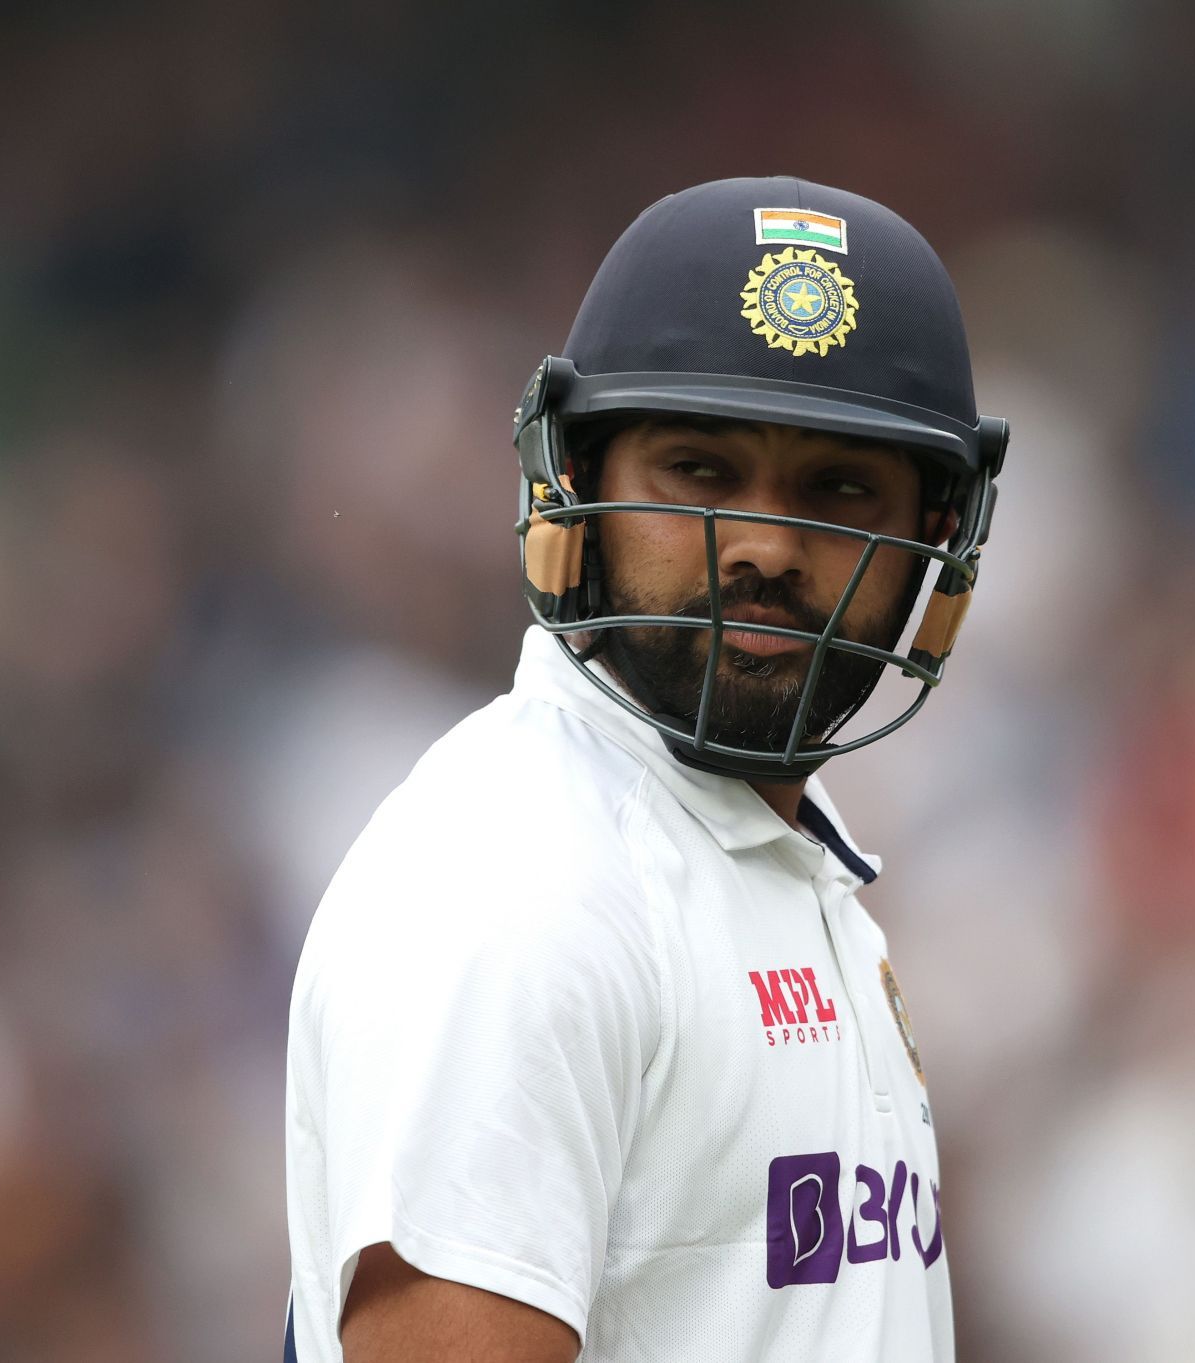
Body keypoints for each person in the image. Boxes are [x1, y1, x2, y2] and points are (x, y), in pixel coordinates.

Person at [283, 177, 1009, 1362]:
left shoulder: (772, 856)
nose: (768, 547)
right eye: (701, 469)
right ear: (577, 487)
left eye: (839, 488)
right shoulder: (520, 890)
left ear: (937, 538)